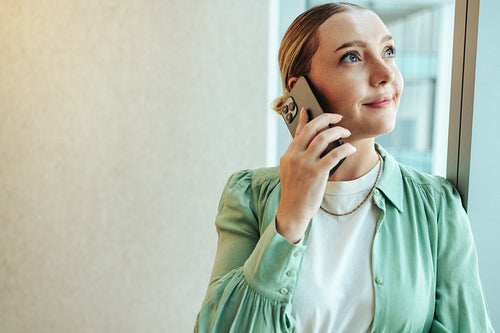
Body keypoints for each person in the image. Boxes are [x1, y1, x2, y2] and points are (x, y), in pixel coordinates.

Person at [194, 2, 494, 332]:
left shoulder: (436, 206)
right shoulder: (250, 196)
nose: (386, 75)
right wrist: (290, 219)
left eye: (389, 51)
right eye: (351, 56)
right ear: (300, 90)